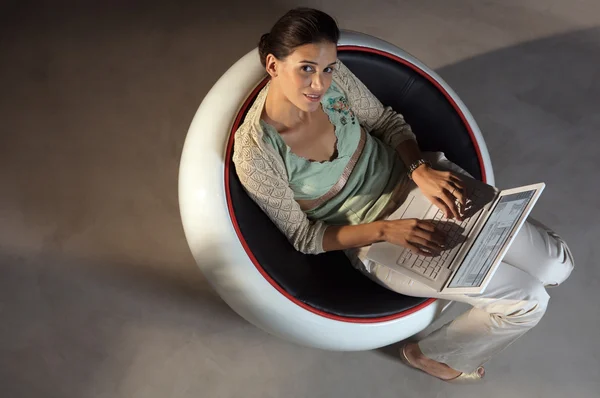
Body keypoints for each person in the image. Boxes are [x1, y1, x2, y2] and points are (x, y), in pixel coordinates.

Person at [232, 7, 574, 383]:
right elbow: (306, 237)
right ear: (273, 64)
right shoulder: (256, 154)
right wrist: (385, 231)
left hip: (422, 182)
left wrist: (419, 169)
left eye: (328, 68)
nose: (320, 84)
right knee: (528, 300)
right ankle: (428, 355)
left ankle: (500, 290)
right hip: (379, 238)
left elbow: (385, 122)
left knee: (558, 264)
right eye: (306, 68)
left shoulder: (335, 82)